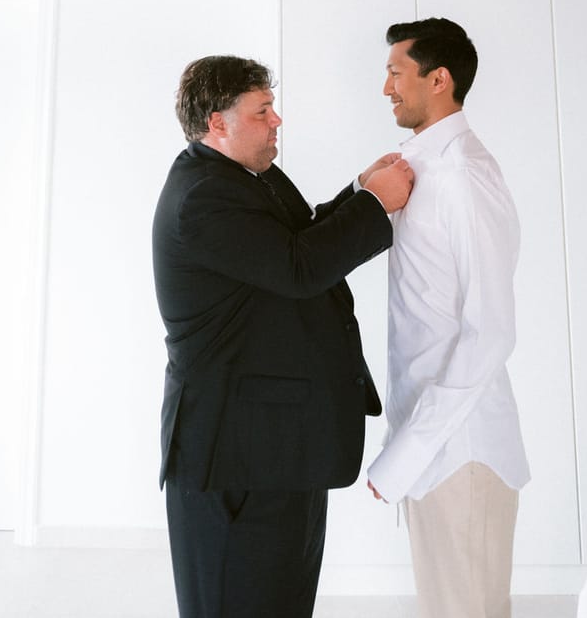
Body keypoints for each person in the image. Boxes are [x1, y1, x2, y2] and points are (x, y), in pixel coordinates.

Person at [152, 53, 414, 618]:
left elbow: (297, 237)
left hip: (277, 448)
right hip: (234, 455)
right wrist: (375, 205)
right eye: (262, 110)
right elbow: (298, 267)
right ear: (217, 123)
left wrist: (358, 190)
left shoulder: (246, 175)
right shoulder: (203, 196)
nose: (277, 121)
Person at [367, 18, 530, 618]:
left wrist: (408, 451)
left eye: (395, 73)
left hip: (459, 451)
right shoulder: (418, 165)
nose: (386, 88)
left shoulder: (462, 172)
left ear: (440, 79)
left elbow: (490, 330)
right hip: (433, 447)